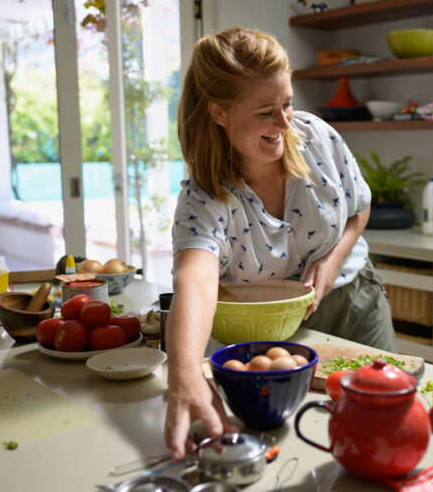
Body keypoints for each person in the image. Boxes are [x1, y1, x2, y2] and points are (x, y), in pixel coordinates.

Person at [164, 27, 397, 460]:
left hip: (355, 304)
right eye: (266, 111)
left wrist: (330, 261)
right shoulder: (204, 198)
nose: (284, 122)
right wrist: (184, 376)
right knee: (300, 452)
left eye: (288, 103)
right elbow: (193, 280)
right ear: (218, 113)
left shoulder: (317, 138)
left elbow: (358, 208)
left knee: (381, 432)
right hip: (270, 337)